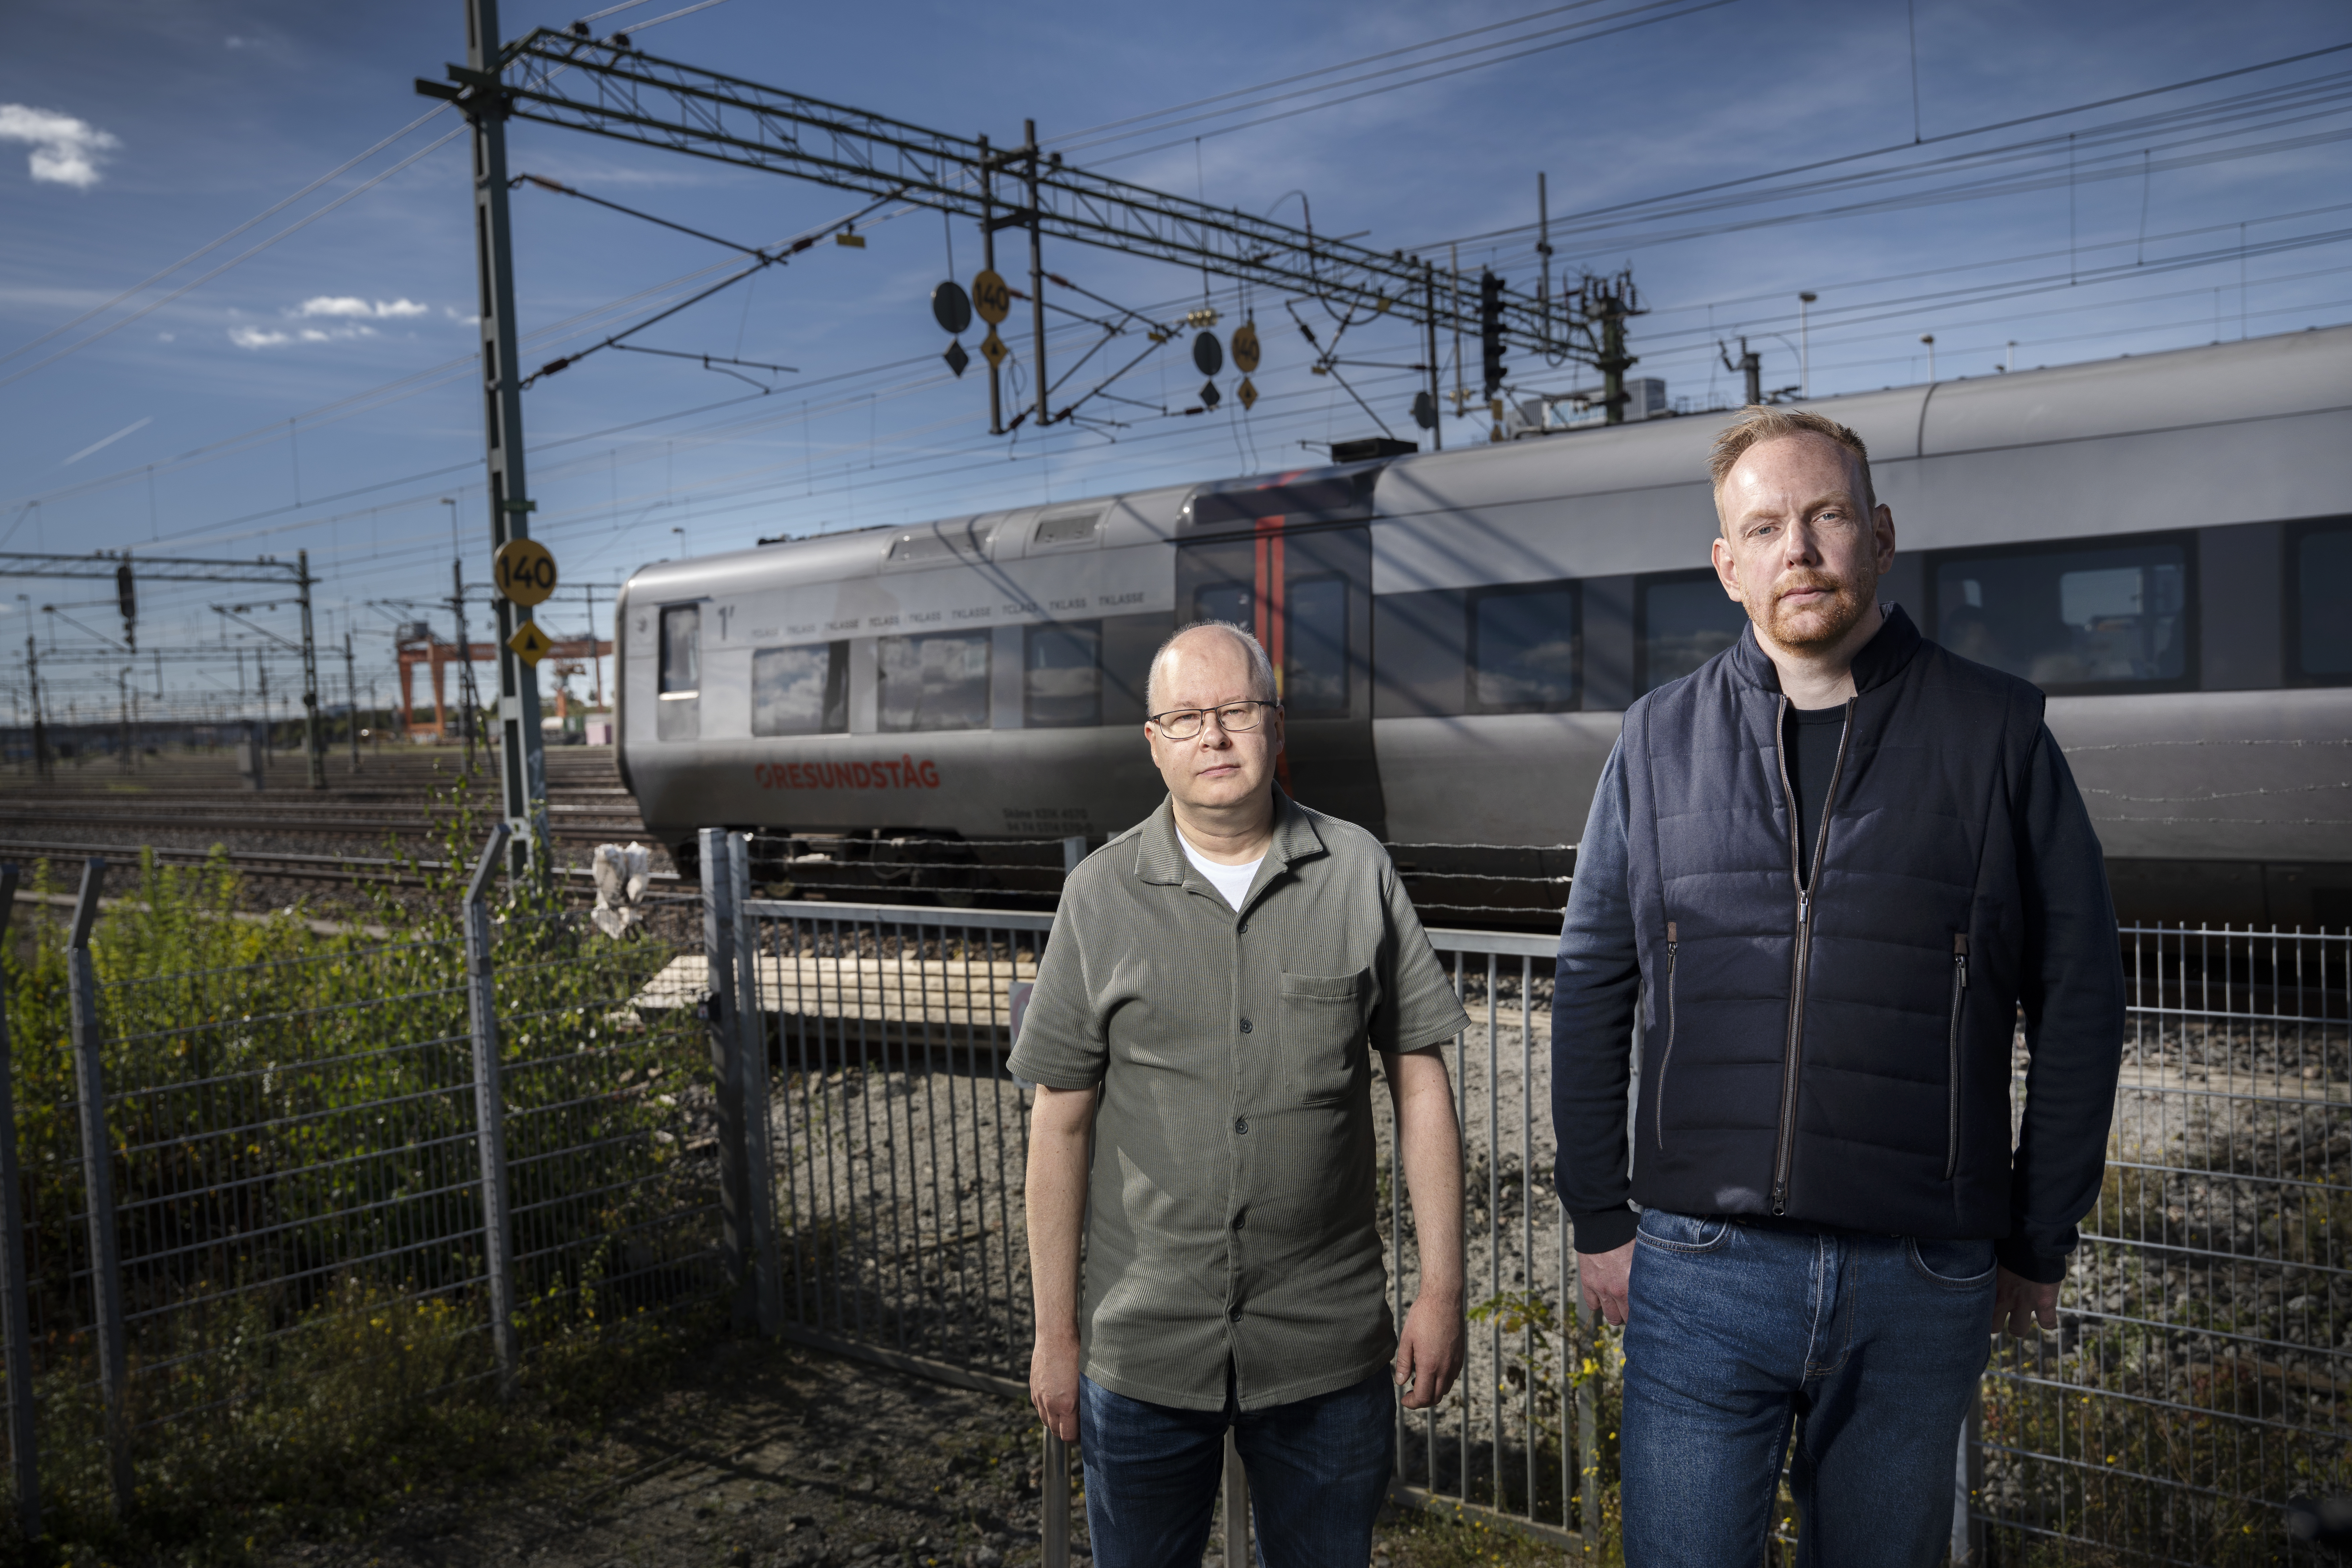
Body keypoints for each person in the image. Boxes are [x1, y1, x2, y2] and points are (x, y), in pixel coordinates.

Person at [1550, 407, 2126, 1567]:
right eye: (1763, 528)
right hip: (1701, 1267)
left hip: (1919, 1275)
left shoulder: (1999, 734)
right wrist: (1600, 1212)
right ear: (1727, 567)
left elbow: (2082, 999)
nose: (1798, 551)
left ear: (1880, 534)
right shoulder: (1656, 741)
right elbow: (1590, 982)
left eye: (1825, 518)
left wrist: (2038, 1234)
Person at [1011, 621, 1470, 1568]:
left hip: (1327, 1353)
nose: (1213, 737)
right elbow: (1058, 1125)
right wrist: (1055, 1337)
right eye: (1185, 718)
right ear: (1154, 742)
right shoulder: (1098, 897)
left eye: (1237, 712)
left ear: (1276, 726)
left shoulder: (1358, 872)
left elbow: (1422, 1088)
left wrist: (1443, 1291)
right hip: (1141, 1352)